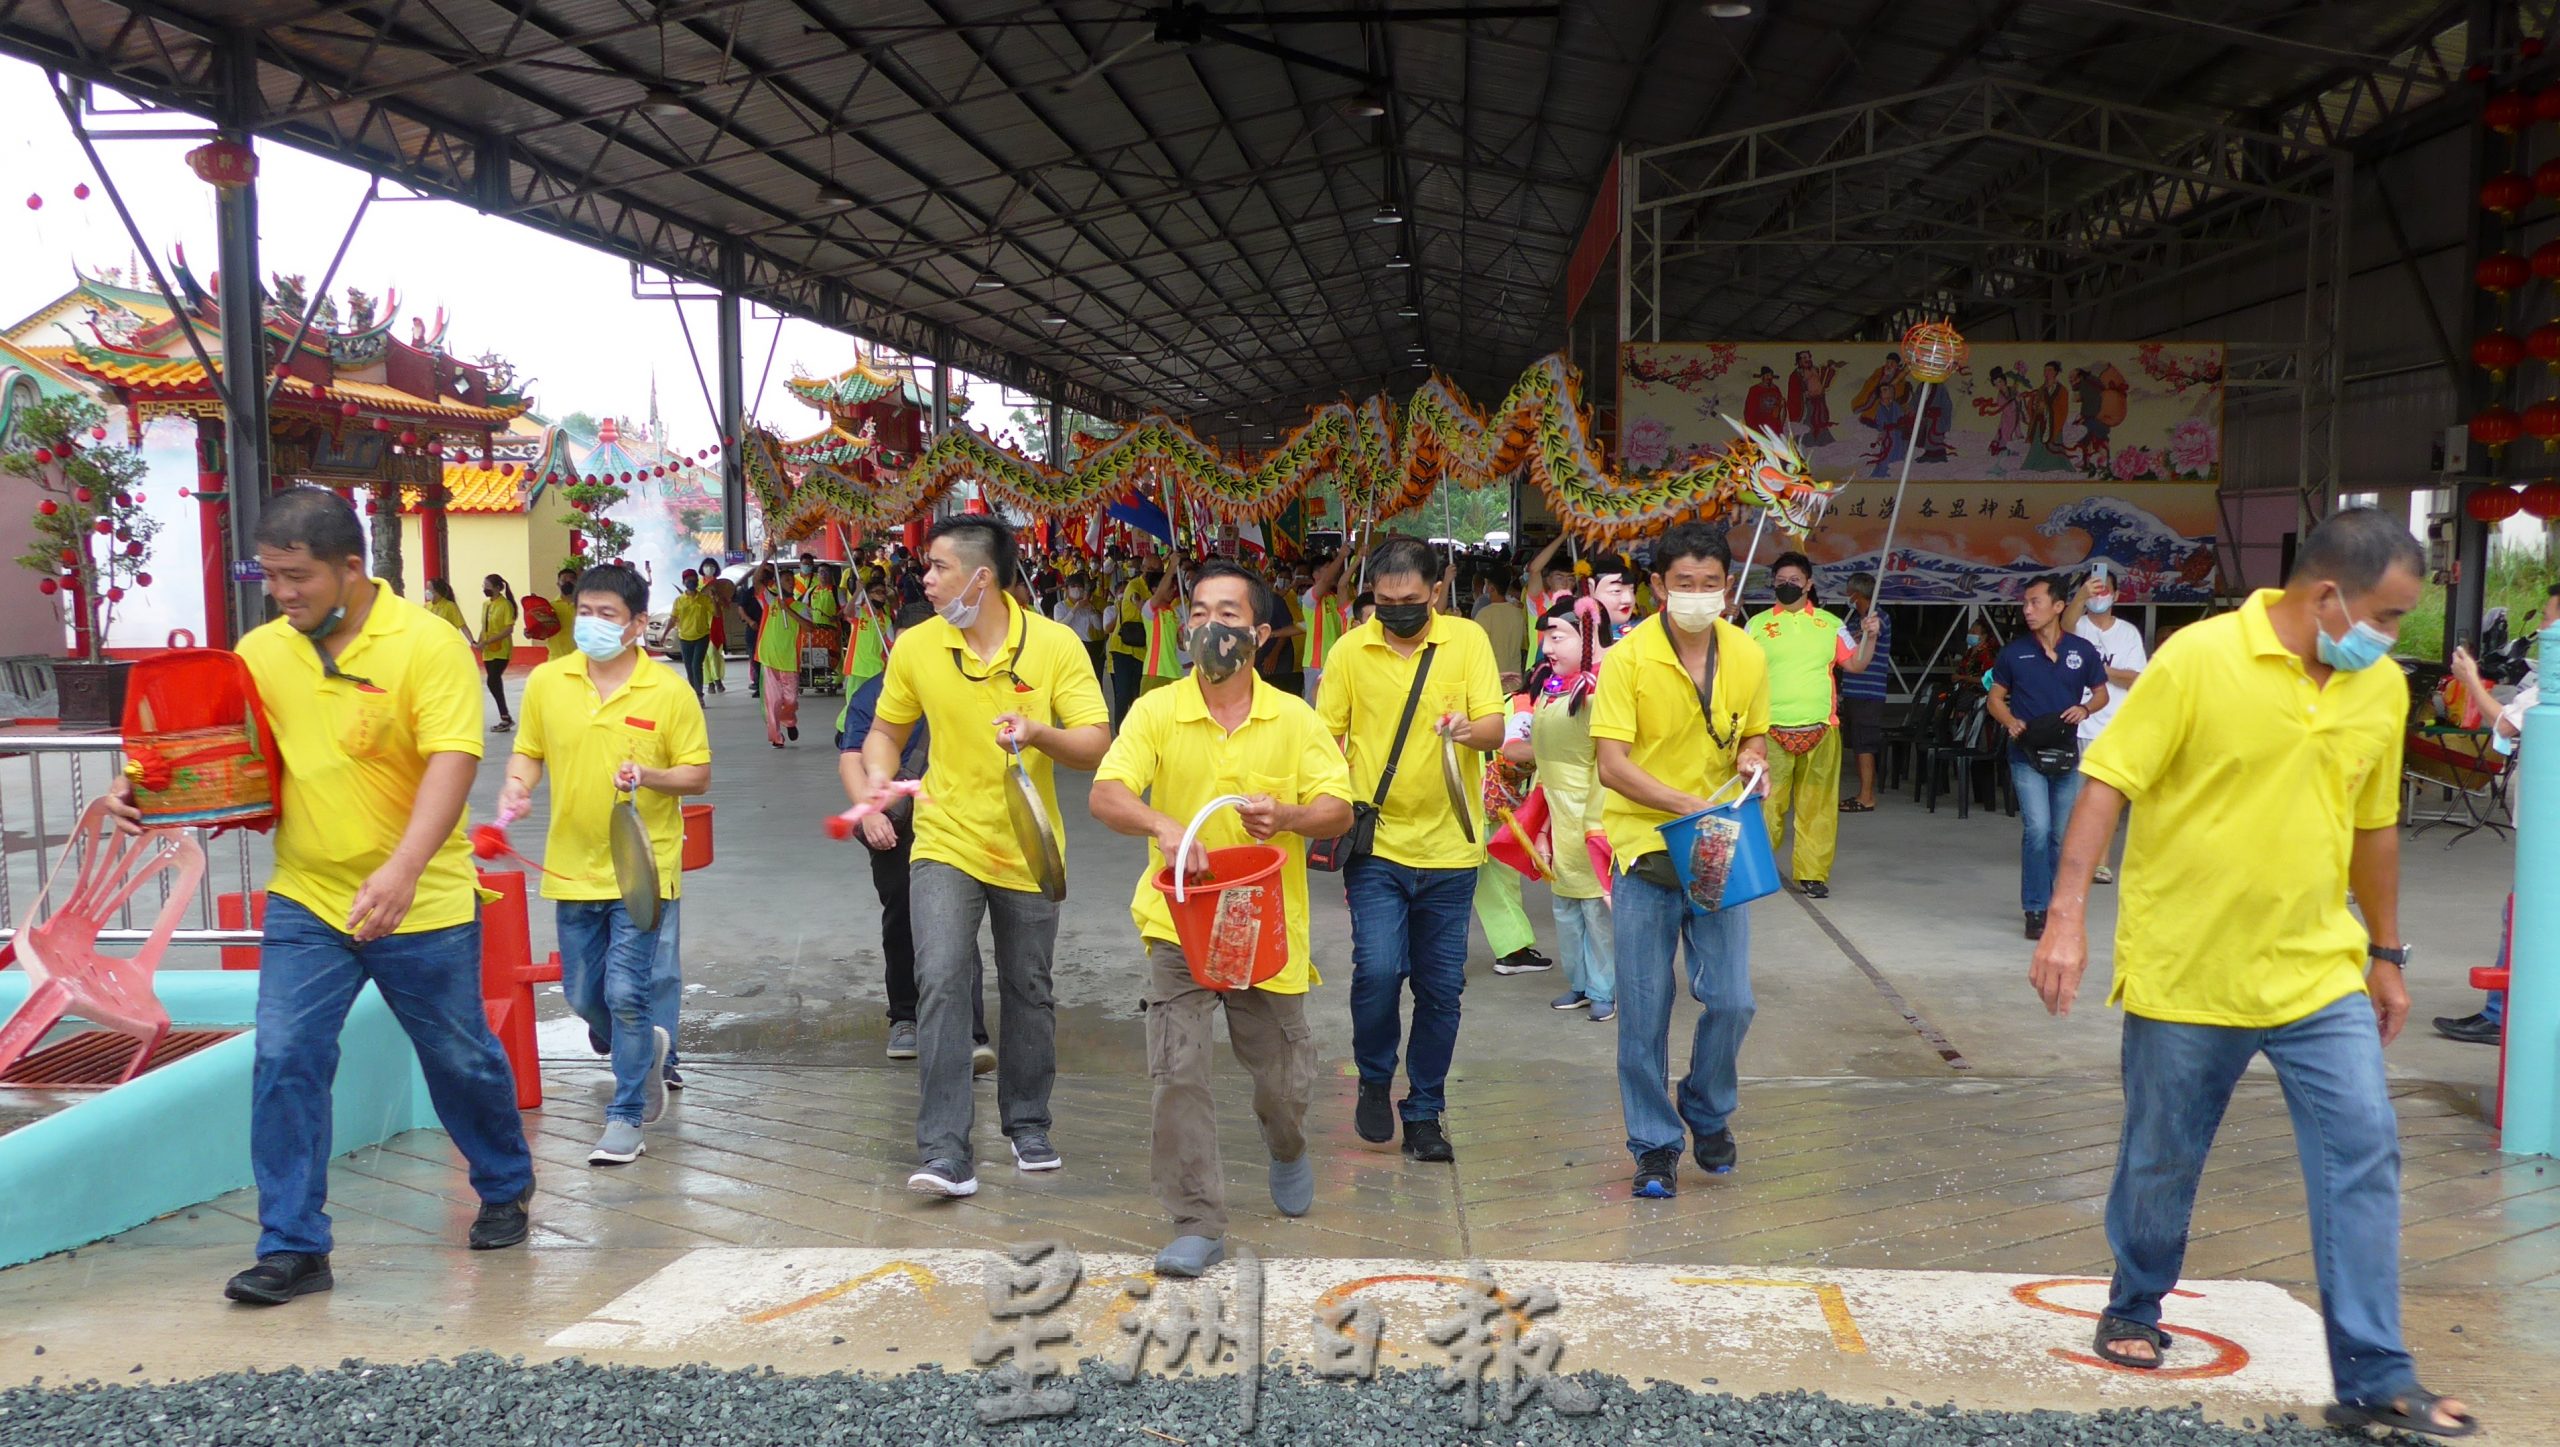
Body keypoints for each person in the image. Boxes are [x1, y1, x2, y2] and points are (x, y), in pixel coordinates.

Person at [2030, 509, 2476, 1439]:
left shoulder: (2379, 691)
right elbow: (2109, 778)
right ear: (2324, 596)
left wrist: (2387, 955)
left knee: (2364, 1147)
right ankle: (2134, 1303)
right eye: (2388, 617)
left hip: (2317, 973)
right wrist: (2066, 917)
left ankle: (2376, 1374)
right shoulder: (2197, 659)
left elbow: (2374, 827)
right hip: (2189, 968)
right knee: (2162, 1155)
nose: (2395, 639)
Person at [105, 487, 534, 1305]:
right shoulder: (262, 651)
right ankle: (294, 1245)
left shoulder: (427, 645)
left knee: (459, 1056)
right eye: (270, 577)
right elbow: (213, 751)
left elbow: (453, 759)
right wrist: (143, 792)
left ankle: (505, 1181)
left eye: (297, 576)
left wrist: (405, 868)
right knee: (285, 1058)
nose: (283, 593)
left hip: (423, 898)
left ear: (350, 565)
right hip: (309, 896)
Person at [1090, 561, 1353, 1277]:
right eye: (1201, 611)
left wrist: (1291, 814)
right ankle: (1197, 1218)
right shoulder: (1156, 710)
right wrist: (1160, 822)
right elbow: (1107, 792)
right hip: (1180, 918)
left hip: (1265, 921)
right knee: (1177, 1067)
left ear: (1260, 632)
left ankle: (1288, 1143)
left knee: (1281, 1076)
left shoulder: (1295, 717)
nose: (1213, 627)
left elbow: (1339, 805)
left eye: (1230, 614)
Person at [855, 516, 1110, 1198]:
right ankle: (944, 1151)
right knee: (939, 975)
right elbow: (886, 729)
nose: (925, 580)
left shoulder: (1054, 646)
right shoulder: (916, 645)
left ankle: (1028, 1121)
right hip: (942, 837)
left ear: (982, 577)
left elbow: (1095, 742)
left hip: (1029, 844)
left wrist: (1038, 732)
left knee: (1029, 984)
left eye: (937, 568)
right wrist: (881, 776)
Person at [499, 564, 710, 1165]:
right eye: (584, 613)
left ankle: (625, 1116)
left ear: (638, 625)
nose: (591, 624)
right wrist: (517, 786)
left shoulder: (668, 691)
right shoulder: (548, 681)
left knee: (625, 992)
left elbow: (696, 774)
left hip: (643, 868)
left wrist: (649, 774)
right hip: (569, 866)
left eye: (607, 615)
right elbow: (529, 751)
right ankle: (638, 1048)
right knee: (582, 991)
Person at [1314, 533, 1508, 1164]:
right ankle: (1374, 1074)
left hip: (1452, 849)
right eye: (1384, 598)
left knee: (1441, 988)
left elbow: (1496, 729)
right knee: (1376, 970)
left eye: (1409, 598)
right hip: (1378, 846)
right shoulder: (1349, 652)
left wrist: (1466, 729)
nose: (1395, 608)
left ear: (1435, 592)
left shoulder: (1468, 641)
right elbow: (1324, 741)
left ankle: (1424, 1111)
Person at [1593, 522, 1770, 1199]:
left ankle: (1705, 1104)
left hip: (1719, 845)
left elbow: (1752, 730)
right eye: (1684, 584)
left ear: (1728, 586)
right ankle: (1655, 1145)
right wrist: (1684, 803)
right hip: (1645, 849)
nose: (1699, 595)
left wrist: (1754, 755)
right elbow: (1612, 765)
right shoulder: (1627, 659)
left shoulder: (1747, 655)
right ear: (1658, 587)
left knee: (1732, 998)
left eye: (1711, 584)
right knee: (1644, 1008)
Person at [837, 602, 992, 1072]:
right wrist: (868, 814)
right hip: (896, 825)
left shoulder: (968, 683)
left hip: (956, 818)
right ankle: (905, 1017)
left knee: (956, 919)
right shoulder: (872, 694)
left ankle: (969, 1031)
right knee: (902, 918)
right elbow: (850, 757)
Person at [1504, 597, 1618, 1020]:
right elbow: (1541, 754)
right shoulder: (1552, 688)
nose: (1548, 647)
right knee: (1565, 910)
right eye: (1546, 638)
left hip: (1590, 813)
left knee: (1596, 911)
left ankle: (1604, 988)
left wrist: (1594, 825)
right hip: (1554, 809)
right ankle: (1580, 983)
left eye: (1559, 637)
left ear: (1587, 639)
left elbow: (1604, 767)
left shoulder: (1599, 691)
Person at [1987, 575, 2108, 939]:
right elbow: (1994, 698)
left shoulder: (2082, 650)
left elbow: (2101, 694)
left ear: (2058, 607)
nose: (2028, 610)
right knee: (2037, 829)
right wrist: (2009, 720)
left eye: (2035, 602)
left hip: (2065, 754)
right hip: (2025, 753)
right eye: (2025, 603)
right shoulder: (2014, 652)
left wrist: (2085, 710)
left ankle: (2059, 907)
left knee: (2060, 834)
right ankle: (2036, 908)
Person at [1746, 553, 1873, 899]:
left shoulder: (1831, 625)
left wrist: (1870, 637)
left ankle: (1813, 874)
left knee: (1817, 805)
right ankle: (1754, 870)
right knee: (1765, 804)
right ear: (1773, 583)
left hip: (1821, 729)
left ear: (1809, 584)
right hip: (1769, 731)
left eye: (1794, 580)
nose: (1788, 586)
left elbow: (1857, 664)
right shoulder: (1755, 626)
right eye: (1781, 580)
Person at [2436, 642, 2536, 1046]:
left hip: (2549, 830)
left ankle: (2498, 1013)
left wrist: (2472, 681)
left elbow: (2509, 725)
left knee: (2521, 913)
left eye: (2550, 619)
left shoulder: (2552, 685)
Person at [2064, 563, 2148, 884]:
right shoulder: (2080, 626)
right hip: (2077, 722)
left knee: (2106, 798)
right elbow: (2066, 624)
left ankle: (2101, 861)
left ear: (2116, 594)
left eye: (2103, 589)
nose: (2099, 595)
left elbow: (2136, 678)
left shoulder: (2126, 633)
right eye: (2093, 588)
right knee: (2075, 797)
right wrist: (2081, 596)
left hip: (2112, 726)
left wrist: (2097, 670)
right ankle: (2075, 858)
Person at [1836, 573, 1891, 813]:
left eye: (1850, 592)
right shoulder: (1855, 621)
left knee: (1865, 744)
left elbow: (1865, 639)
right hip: (1854, 691)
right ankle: (1862, 792)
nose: (1848, 597)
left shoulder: (1879, 618)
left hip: (1869, 692)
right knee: (1857, 744)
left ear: (1857, 594)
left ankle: (1867, 795)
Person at [756, 563, 822, 748]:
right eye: (786, 580)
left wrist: (789, 611)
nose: (791, 583)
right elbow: (756, 582)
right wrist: (767, 557)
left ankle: (789, 719)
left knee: (791, 700)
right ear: (777, 583)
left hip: (790, 660)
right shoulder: (770, 601)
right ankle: (776, 737)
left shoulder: (800, 607)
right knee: (773, 701)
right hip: (769, 658)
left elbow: (810, 627)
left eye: (792, 580)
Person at [1107, 558, 1152, 727]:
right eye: (1150, 568)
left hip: (1142, 650)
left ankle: (1136, 730)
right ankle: (1120, 731)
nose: (1153, 572)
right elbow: (1143, 606)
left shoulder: (1156, 589)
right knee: (1123, 693)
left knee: (1137, 694)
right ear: (1143, 568)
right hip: (1122, 649)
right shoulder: (1134, 586)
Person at [1474, 570, 1528, 695]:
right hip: (1515, 682)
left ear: (1491, 588)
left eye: (1486, 584)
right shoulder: (1517, 612)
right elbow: (1524, 644)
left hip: (1492, 681)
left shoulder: (1484, 614)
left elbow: (1474, 648)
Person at [480, 575, 518, 732]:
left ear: (497, 588)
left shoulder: (505, 605)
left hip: (501, 649)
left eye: (487, 585)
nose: (484, 588)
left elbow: (508, 629)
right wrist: (480, 641)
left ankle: (505, 716)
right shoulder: (486, 604)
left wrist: (489, 641)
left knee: (492, 680)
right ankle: (505, 717)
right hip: (488, 650)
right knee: (494, 682)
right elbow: (484, 626)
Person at [671, 568, 717, 698]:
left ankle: (699, 694)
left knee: (697, 665)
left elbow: (716, 613)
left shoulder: (704, 599)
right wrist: (664, 635)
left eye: (694, 580)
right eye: (689, 580)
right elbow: (673, 618)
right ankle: (693, 694)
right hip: (685, 638)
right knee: (689, 667)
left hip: (702, 637)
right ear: (684, 582)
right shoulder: (679, 601)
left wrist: (714, 600)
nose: (692, 582)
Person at [545, 567, 580, 661]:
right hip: (556, 660)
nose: (567, 583)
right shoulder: (550, 607)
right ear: (558, 584)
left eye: (571, 580)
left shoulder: (586, 607)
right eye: (564, 580)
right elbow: (542, 632)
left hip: (581, 660)